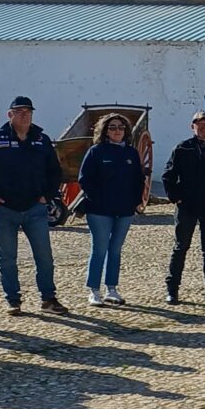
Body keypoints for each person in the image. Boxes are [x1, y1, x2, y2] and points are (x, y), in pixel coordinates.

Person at [0, 95, 69, 316]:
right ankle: (13, 300)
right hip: (4, 209)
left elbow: (54, 171)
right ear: (10, 114)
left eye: (28, 111)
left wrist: (47, 195)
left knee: (44, 256)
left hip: (35, 209)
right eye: (19, 111)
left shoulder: (41, 139)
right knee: (7, 258)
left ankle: (48, 299)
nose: (24, 115)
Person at [162, 110, 205, 306]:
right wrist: (176, 198)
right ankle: (172, 289)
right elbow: (169, 175)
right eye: (201, 126)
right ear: (193, 127)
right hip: (187, 206)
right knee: (180, 247)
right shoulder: (182, 148)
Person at [78, 113, 146, 307]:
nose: (117, 131)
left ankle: (112, 289)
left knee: (115, 250)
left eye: (121, 127)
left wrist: (135, 202)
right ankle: (94, 290)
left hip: (124, 210)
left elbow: (138, 180)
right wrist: (97, 198)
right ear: (105, 131)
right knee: (99, 249)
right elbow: (85, 179)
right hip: (99, 210)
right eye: (113, 127)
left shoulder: (131, 153)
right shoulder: (96, 151)